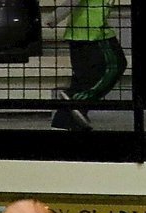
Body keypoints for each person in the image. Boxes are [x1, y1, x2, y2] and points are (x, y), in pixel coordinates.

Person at [47, 0, 127, 132]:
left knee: (83, 78)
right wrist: (55, 17)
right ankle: (76, 100)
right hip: (94, 32)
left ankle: (63, 121)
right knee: (115, 65)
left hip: (80, 32)